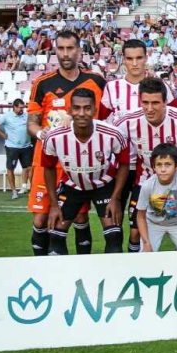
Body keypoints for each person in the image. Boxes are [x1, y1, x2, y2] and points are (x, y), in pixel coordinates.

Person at [27, 30, 106, 257]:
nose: (65, 53)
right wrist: (45, 135)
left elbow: (103, 120)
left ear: (79, 51)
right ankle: (42, 270)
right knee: (41, 218)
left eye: (70, 48)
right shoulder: (42, 83)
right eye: (60, 48)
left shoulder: (96, 81)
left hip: (79, 162)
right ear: (55, 51)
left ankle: (82, 269)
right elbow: (31, 125)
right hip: (46, 160)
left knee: (80, 217)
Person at [115, 77, 177, 253]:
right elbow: (106, 134)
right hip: (145, 181)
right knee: (134, 233)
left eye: (155, 103)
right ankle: (136, 268)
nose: (149, 108)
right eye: (145, 102)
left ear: (165, 102)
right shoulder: (128, 121)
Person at [43, 88, 130, 255]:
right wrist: (54, 204)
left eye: (87, 108)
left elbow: (124, 164)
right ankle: (62, 278)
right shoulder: (54, 137)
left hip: (103, 185)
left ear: (95, 111)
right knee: (54, 234)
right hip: (72, 186)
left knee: (114, 236)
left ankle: (111, 277)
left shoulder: (112, 134)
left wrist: (115, 198)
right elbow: (48, 168)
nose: (81, 113)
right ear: (69, 110)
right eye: (76, 108)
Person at [137, 143, 177, 252]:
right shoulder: (147, 185)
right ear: (154, 167)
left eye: (168, 164)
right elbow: (140, 216)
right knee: (146, 255)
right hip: (153, 223)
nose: (163, 169)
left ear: (176, 166)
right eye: (159, 164)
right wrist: (146, 242)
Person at [0, 99, 33, 199]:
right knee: (10, 168)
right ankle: (14, 191)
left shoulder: (26, 115)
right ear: (14, 107)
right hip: (12, 147)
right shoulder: (7, 116)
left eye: (23, 108)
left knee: (30, 168)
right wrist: (3, 135)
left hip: (26, 146)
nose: (22, 110)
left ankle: (33, 190)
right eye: (20, 108)